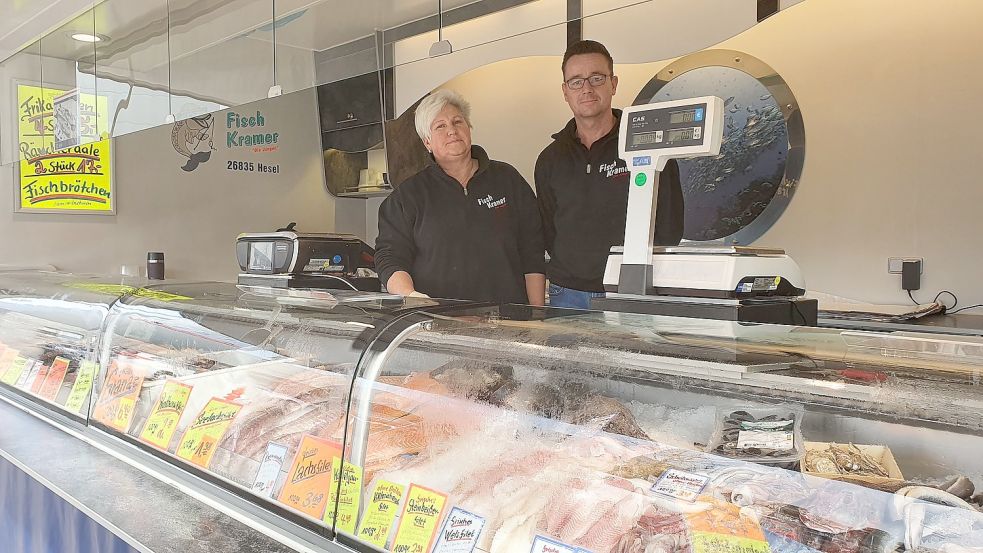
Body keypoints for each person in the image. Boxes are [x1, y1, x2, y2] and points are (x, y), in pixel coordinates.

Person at [536, 40, 684, 309]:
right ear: (565, 91)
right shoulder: (550, 159)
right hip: (566, 295)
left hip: (630, 293)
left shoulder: (647, 145)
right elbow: (548, 229)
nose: (587, 89)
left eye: (596, 78)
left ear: (613, 84)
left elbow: (670, 225)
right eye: (576, 82)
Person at [375, 89, 547, 305]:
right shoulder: (408, 196)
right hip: (439, 322)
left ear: (469, 128)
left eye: (458, 122)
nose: (452, 131)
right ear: (427, 142)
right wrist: (411, 296)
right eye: (440, 126)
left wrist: (537, 315)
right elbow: (389, 258)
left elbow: (532, 251)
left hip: (507, 321)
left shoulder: (507, 179)